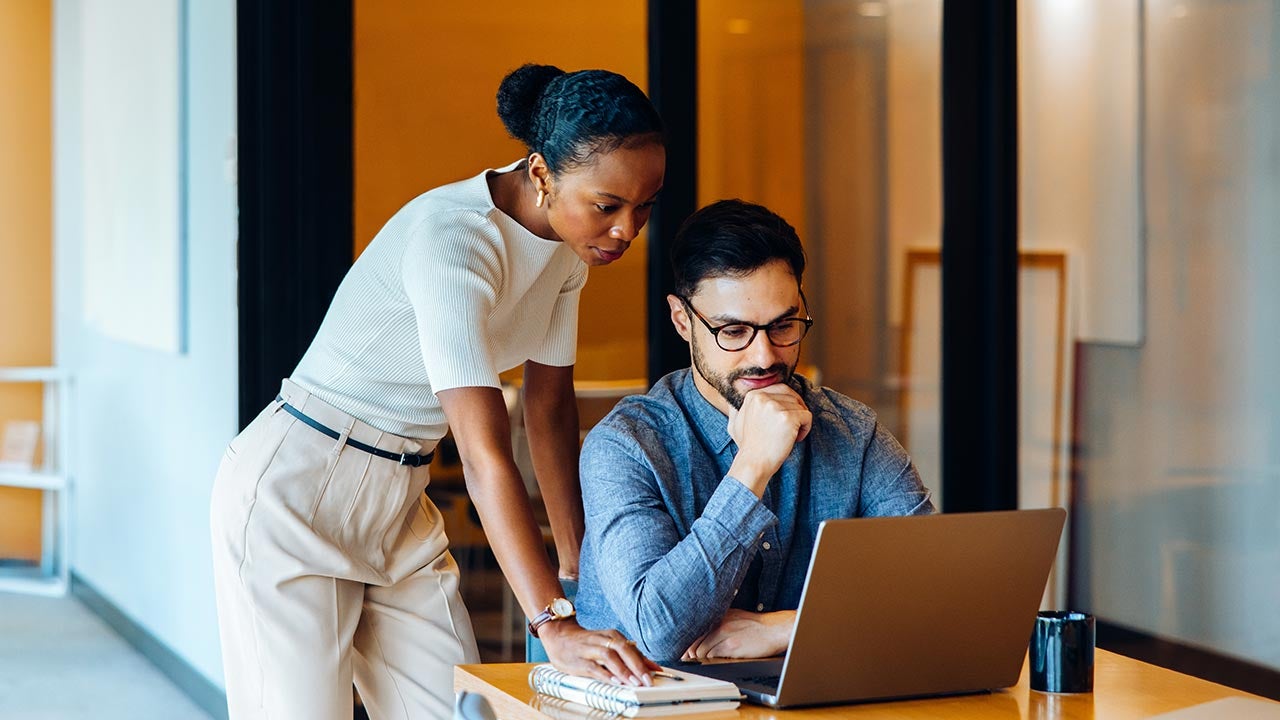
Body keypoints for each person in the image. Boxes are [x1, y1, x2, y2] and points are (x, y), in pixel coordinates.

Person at [210, 64, 664, 719]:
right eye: (608, 206)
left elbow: (548, 412)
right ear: (541, 174)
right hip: (297, 491)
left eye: (645, 205)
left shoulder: (569, 250)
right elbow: (484, 455)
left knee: (458, 709)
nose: (627, 229)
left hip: (400, 496)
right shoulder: (454, 240)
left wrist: (575, 568)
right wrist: (552, 621)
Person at [574, 199, 936, 663]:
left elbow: (933, 589)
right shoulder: (627, 446)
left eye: (783, 325)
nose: (765, 356)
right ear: (682, 321)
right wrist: (753, 467)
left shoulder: (852, 433)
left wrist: (786, 627)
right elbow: (657, 630)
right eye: (734, 331)